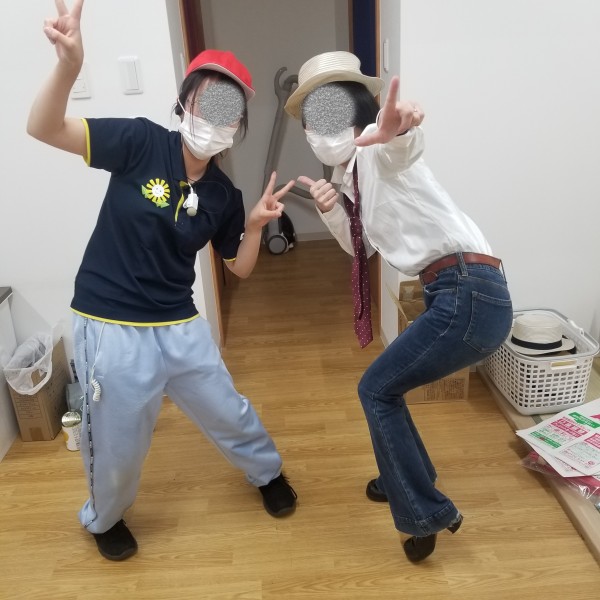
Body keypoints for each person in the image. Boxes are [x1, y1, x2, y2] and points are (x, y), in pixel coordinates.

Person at [27, 0, 297, 561]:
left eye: (229, 109)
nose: (215, 116)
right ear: (183, 101)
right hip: (110, 320)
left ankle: (267, 473)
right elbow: (43, 127)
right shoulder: (140, 142)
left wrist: (251, 227)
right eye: (206, 100)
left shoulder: (223, 195)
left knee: (228, 407)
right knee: (117, 439)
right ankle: (104, 519)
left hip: (178, 321)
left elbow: (239, 267)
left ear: (237, 126)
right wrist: (69, 67)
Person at [286, 51, 513, 562]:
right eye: (311, 122)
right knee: (387, 388)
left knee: (376, 389)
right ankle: (405, 476)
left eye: (328, 115)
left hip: (466, 292)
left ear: (358, 112)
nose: (318, 131)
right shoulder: (351, 177)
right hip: (463, 293)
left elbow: (399, 148)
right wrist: (331, 209)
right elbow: (361, 248)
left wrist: (401, 129)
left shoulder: (375, 150)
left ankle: (424, 511)